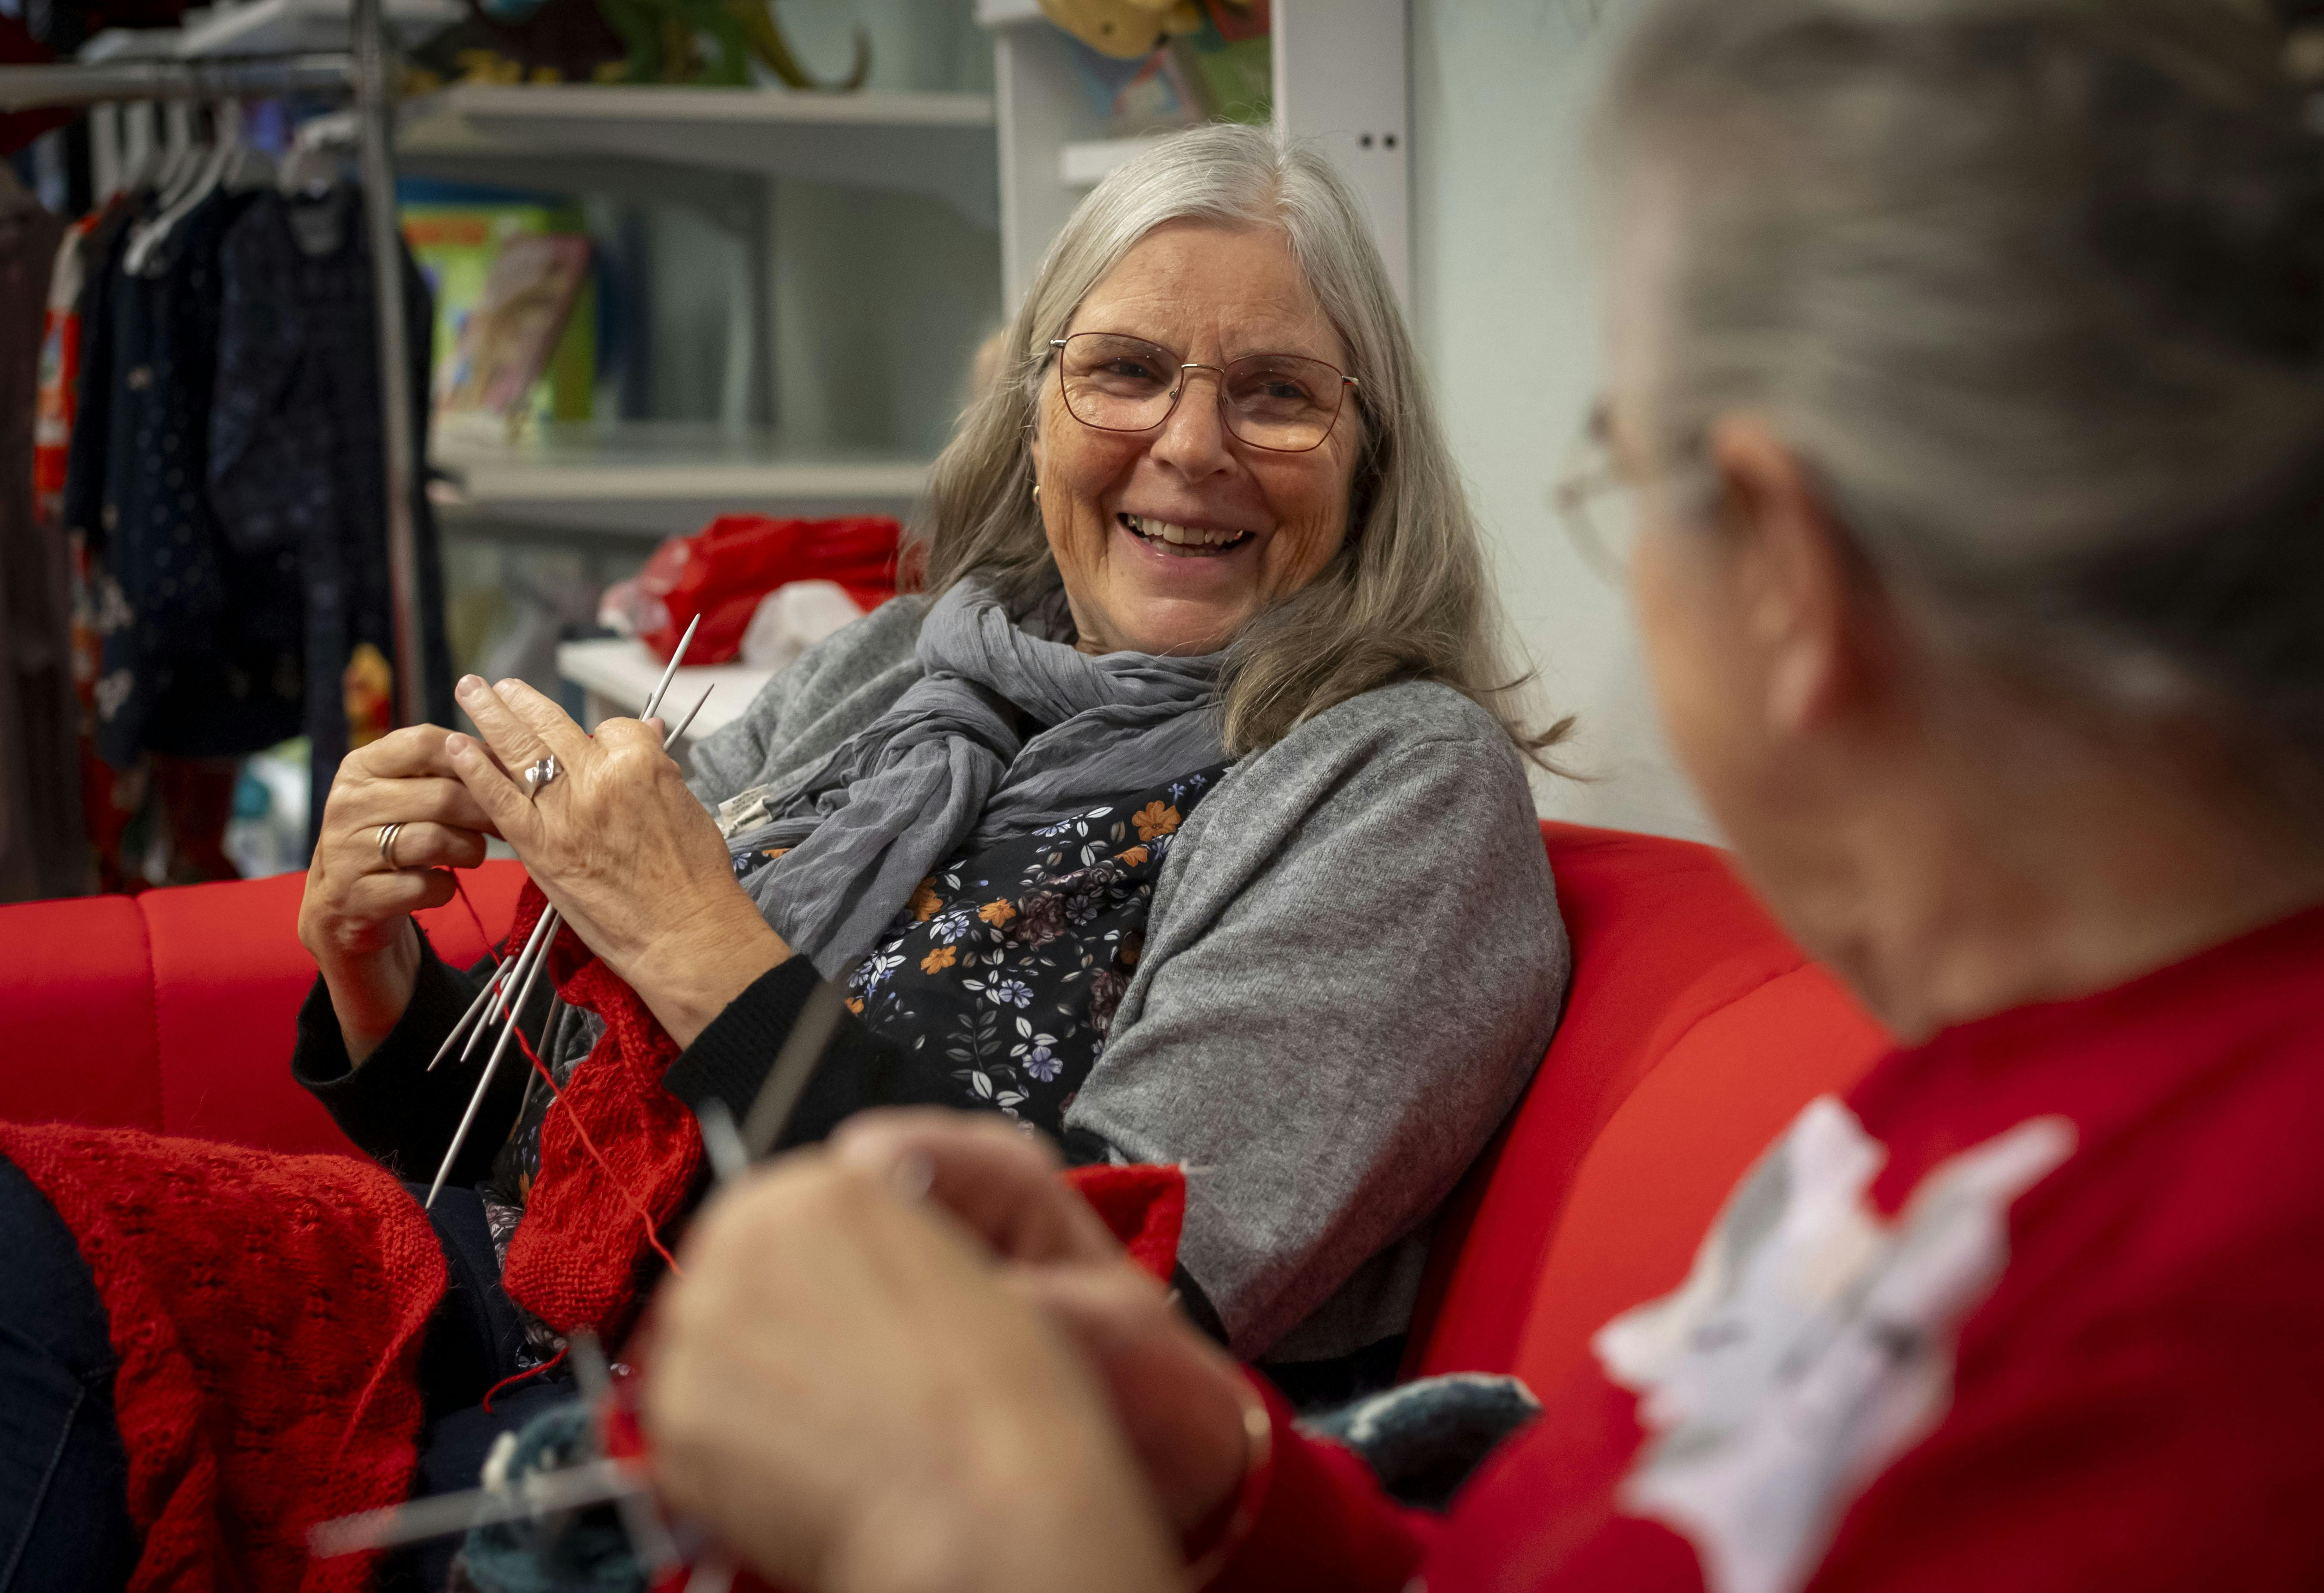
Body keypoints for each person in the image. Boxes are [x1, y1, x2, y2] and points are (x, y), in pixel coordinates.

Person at [636, 3, 2324, 1590]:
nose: (1192, 446)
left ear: (1782, 569)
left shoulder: (2217, 1302)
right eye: (1126, 375)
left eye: (1620, 467)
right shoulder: (1972, 1109)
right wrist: (1224, 1479)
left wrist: (991, 1523)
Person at [292, 121, 1566, 1392]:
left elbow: (1113, 1321)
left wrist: (689, 936)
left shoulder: (1395, 782)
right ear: (1033, 420)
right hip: (538, 1343)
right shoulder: (902, 660)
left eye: (1277, 393)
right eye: (1125, 371)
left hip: (855, 1459)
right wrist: (374, 967)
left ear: (1370, 458)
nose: (1190, 445)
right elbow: (536, 1133)